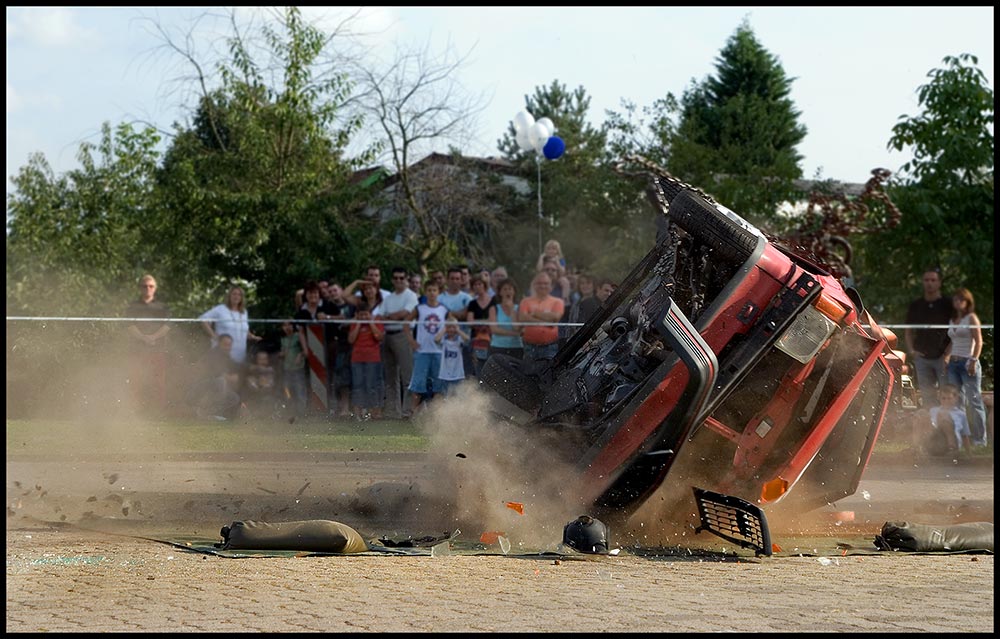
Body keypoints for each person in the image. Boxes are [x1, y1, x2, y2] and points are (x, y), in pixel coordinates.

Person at [944, 287, 987, 447]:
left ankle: (979, 440)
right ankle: (961, 439)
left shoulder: (971, 318)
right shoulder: (953, 319)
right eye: (956, 299)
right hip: (954, 364)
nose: (958, 302)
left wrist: (973, 360)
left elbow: (979, 340)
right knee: (956, 402)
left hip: (967, 362)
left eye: (961, 300)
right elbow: (953, 341)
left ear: (967, 302)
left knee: (974, 400)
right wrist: (946, 356)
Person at [904, 267, 952, 406]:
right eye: (926, 280)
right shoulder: (916, 305)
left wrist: (948, 354)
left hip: (942, 357)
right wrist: (912, 351)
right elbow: (908, 331)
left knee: (947, 396)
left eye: (933, 280)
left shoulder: (947, 304)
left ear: (939, 282)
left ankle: (947, 426)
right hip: (922, 357)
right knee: (927, 397)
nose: (929, 283)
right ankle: (931, 426)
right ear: (922, 282)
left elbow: (957, 331)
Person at [126, 274, 171, 416]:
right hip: (137, 350)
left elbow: (167, 326)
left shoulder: (162, 307)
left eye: (151, 286)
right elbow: (129, 325)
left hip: (157, 349)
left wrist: (153, 337)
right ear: (140, 288)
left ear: (155, 288)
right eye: (145, 286)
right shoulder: (133, 306)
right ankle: (134, 411)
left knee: (158, 381)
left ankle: (159, 411)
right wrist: (143, 338)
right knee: (136, 380)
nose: (148, 289)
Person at [379, 267, 419, 419]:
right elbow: (380, 316)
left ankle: (407, 410)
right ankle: (392, 411)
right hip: (387, 336)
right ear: (392, 280)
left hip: (403, 335)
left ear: (406, 279)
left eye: (401, 278)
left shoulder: (411, 296)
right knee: (390, 376)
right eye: (395, 278)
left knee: (407, 375)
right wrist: (392, 317)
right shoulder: (388, 298)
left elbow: (405, 314)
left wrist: (391, 317)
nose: (398, 281)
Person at [405, 280, 450, 413]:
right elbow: (406, 324)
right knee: (418, 384)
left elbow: (451, 323)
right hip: (422, 351)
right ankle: (413, 414)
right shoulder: (420, 308)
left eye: (434, 290)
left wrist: (442, 334)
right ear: (425, 292)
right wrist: (411, 341)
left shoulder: (443, 309)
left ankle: (437, 415)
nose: (432, 293)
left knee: (438, 385)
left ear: (439, 292)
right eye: (429, 290)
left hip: (438, 352)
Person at [198, 285, 262, 366]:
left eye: (239, 295)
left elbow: (245, 330)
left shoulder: (244, 312)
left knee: (237, 376)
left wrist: (253, 337)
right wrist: (214, 336)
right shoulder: (220, 309)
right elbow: (203, 319)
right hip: (223, 353)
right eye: (234, 294)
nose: (236, 296)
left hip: (240, 352)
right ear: (229, 296)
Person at [186, 333, 242, 421]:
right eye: (225, 345)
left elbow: (236, 370)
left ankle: (210, 413)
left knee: (234, 397)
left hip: (211, 388)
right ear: (219, 344)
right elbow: (216, 373)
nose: (228, 347)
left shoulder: (226, 356)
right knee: (220, 381)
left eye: (229, 345)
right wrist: (230, 377)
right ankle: (209, 413)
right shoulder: (213, 354)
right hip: (199, 388)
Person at [348, 301, 385, 420]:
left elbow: (379, 337)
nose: (364, 317)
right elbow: (351, 339)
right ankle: (357, 412)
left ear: (370, 314)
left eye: (366, 314)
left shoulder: (377, 321)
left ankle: (374, 412)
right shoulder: (354, 323)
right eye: (361, 315)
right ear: (357, 314)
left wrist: (371, 323)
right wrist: (358, 324)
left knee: (372, 385)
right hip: (357, 359)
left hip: (373, 358)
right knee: (358, 385)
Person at [912, 384, 973, 456]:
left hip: (950, 442)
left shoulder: (960, 414)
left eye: (949, 398)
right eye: (943, 398)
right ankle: (916, 448)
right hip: (934, 440)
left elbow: (965, 435)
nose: (946, 401)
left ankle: (952, 449)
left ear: (956, 398)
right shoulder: (933, 410)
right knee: (922, 413)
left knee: (944, 417)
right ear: (939, 399)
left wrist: (969, 453)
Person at [519, 272, 565, 366]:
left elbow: (555, 317)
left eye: (545, 283)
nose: (542, 286)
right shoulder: (526, 301)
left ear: (550, 286)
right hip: (529, 347)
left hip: (549, 347)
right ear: (534, 285)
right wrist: (546, 321)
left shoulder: (557, 302)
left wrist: (535, 313)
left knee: (548, 375)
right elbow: (523, 317)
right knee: (527, 375)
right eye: (539, 283)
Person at [326, 283, 355, 418]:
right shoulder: (327, 307)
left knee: (351, 377)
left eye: (335, 290)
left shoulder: (351, 306)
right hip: (334, 345)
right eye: (330, 291)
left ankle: (350, 408)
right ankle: (339, 408)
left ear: (341, 290)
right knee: (337, 377)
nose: (333, 293)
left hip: (352, 345)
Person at [466, 275, 495, 377]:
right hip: (476, 340)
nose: (477, 286)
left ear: (485, 285)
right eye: (475, 285)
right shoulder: (472, 303)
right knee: (479, 370)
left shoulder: (493, 301)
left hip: (493, 339)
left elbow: (494, 320)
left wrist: (478, 321)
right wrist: (486, 321)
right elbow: (470, 322)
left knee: (492, 368)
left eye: (479, 284)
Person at [488, 277, 524, 360]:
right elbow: (494, 329)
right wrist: (514, 334)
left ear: (514, 292)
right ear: (500, 292)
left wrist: (512, 310)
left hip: (516, 347)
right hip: (498, 347)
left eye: (510, 289)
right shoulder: (494, 309)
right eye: (505, 289)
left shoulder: (519, 308)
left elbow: (518, 328)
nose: (508, 292)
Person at [278, 320, 307, 418]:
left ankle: (301, 415)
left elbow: (306, 351)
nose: (287, 327)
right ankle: (290, 414)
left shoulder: (298, 336)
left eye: (289, 324)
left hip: (298, 370)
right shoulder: (283, 339)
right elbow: (282, 354)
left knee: (300, 393)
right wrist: (281, 354)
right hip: (287, 370)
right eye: (284, 325)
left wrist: (300, 354)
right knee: (287, 393)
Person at [435, 318, 469, 397]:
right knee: (446, 396)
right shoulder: (444, 339)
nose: (451, 329)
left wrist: (458, 330)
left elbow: (467, 339)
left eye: (453, 327)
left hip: (457, 374)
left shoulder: (459, 339)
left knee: (458, 396)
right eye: (449, 327)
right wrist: (444, 329)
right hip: (445, 374)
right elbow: (436, 339)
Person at [244, 350, 277, 418]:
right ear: (256, 360)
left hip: (266, 398)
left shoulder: (270, 372)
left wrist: (264, 385)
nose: (262, 361)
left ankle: (267, 414)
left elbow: (270, 386)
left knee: (269, 399)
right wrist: (259, 384)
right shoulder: (252, 372)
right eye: (260, 359)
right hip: (254, 398)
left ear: (267, 360)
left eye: (264, 359)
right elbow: (251, 386)